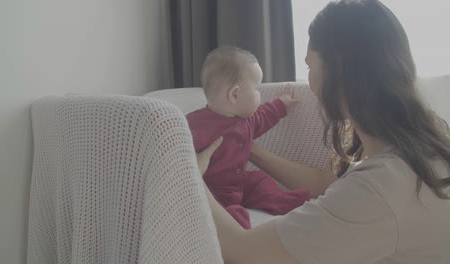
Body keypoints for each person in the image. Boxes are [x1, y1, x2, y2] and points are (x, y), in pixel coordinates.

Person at [196, 0, 450, 263]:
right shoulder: (427, 142)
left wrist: (193, 175)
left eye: (309, 66)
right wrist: (248, 148)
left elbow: (242, 251)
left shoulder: (376, 190)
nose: (310, 83)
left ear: (335, 68)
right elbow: (324, 184)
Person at [187, 46, 310, 229]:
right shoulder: (196, 125)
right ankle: (233, 221)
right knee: (222, 209)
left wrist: (282, 103)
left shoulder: (247, 119)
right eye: (257, 89)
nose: (260, 94)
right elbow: (177, 143)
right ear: (235, 94)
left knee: (259, 180)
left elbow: (264, 115)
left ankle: (281, 201)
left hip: (240, 181)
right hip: (214, 190)